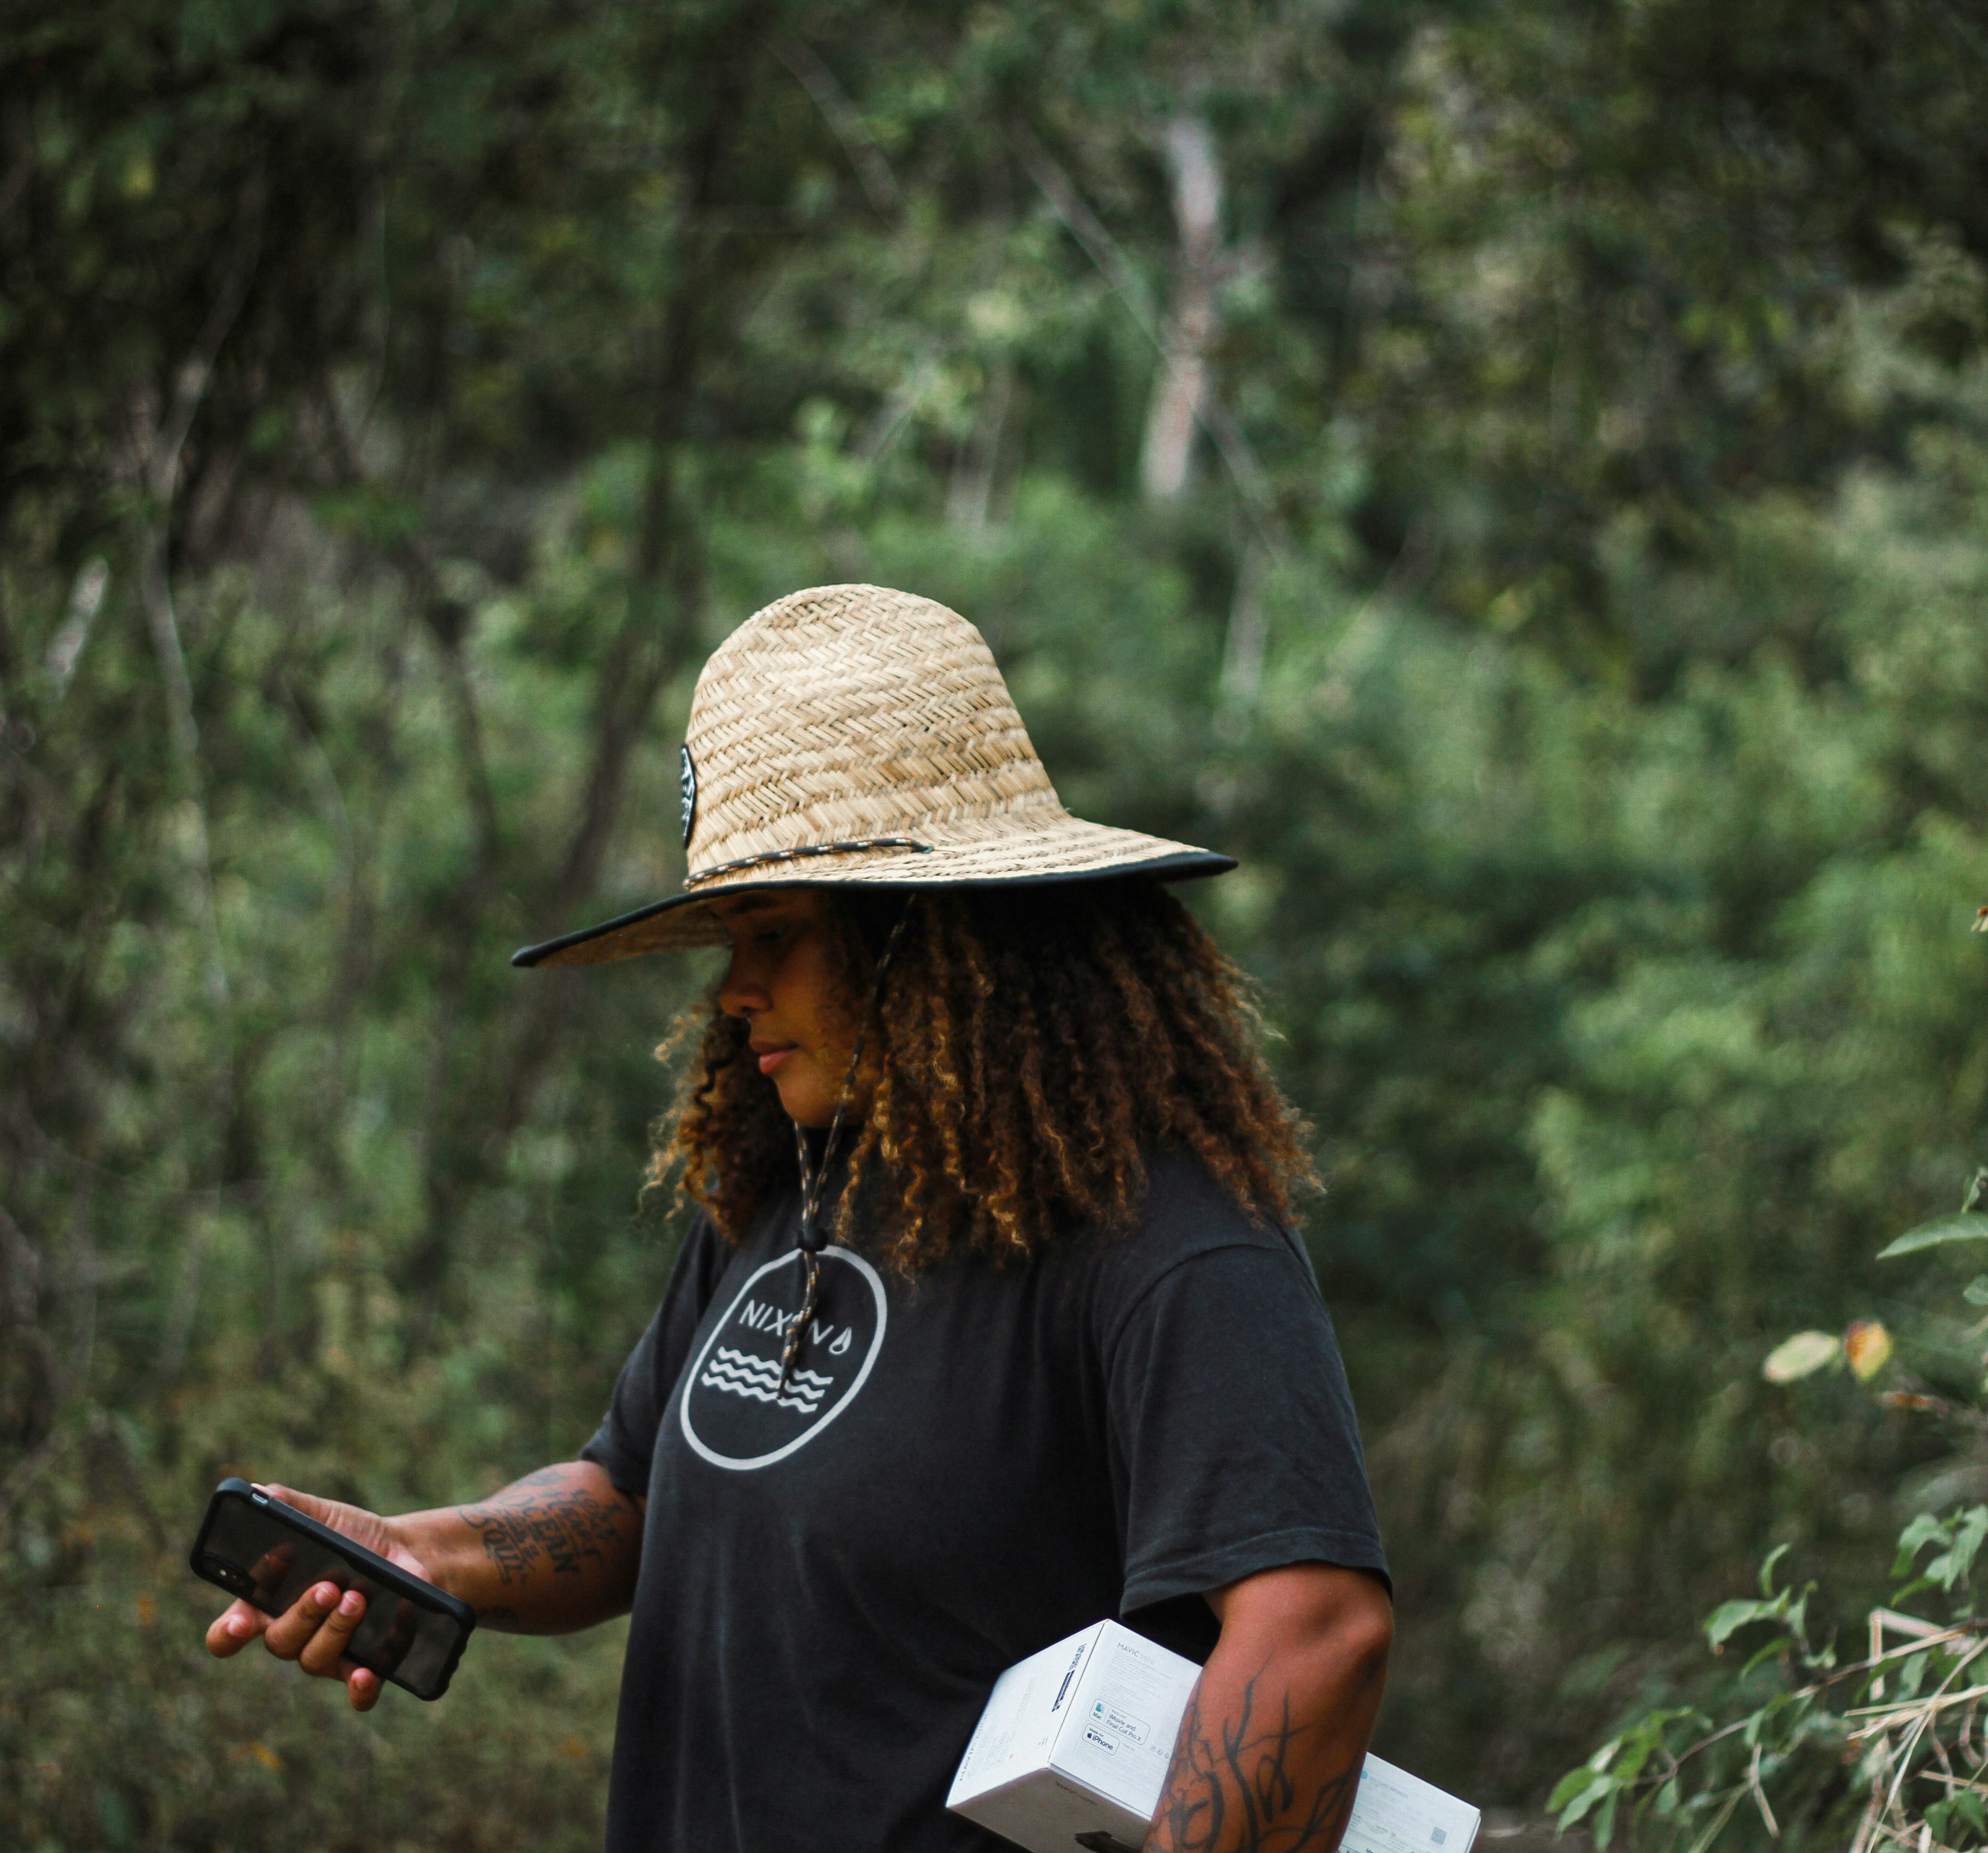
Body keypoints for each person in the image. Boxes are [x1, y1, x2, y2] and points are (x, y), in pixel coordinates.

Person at [206, 584, 1394, 1853]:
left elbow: (1315, 1631)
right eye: (727, 937)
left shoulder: (1159, 1232)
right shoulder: (796, 1188)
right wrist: (417, 1552)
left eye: (773, 932)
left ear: (935, 939)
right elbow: (632, 1496)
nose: (733, 991)